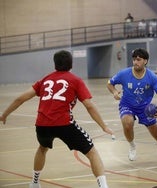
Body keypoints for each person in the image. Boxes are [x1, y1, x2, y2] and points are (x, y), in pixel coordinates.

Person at [0, 50, 113, 188]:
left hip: (42, 125)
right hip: (64, 124)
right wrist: (103, 126)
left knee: (42, 148)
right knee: (92, 152)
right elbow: (89, 106)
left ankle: (34, 182)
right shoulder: (75, 80)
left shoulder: (45, 79)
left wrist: (5, 114)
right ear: (71, 64)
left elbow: (21, 98)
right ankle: (103, 186)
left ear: (55, 64)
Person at [107, 48, 157, 161]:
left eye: (138, 60)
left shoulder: (152, 77)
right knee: (127, 122)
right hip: (127, 105)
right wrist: (115, 92)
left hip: (145, 108)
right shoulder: (124, 74)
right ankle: (132, 146)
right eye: (134, 59)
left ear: (145, 61)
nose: (135, 62)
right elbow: (110, 83)